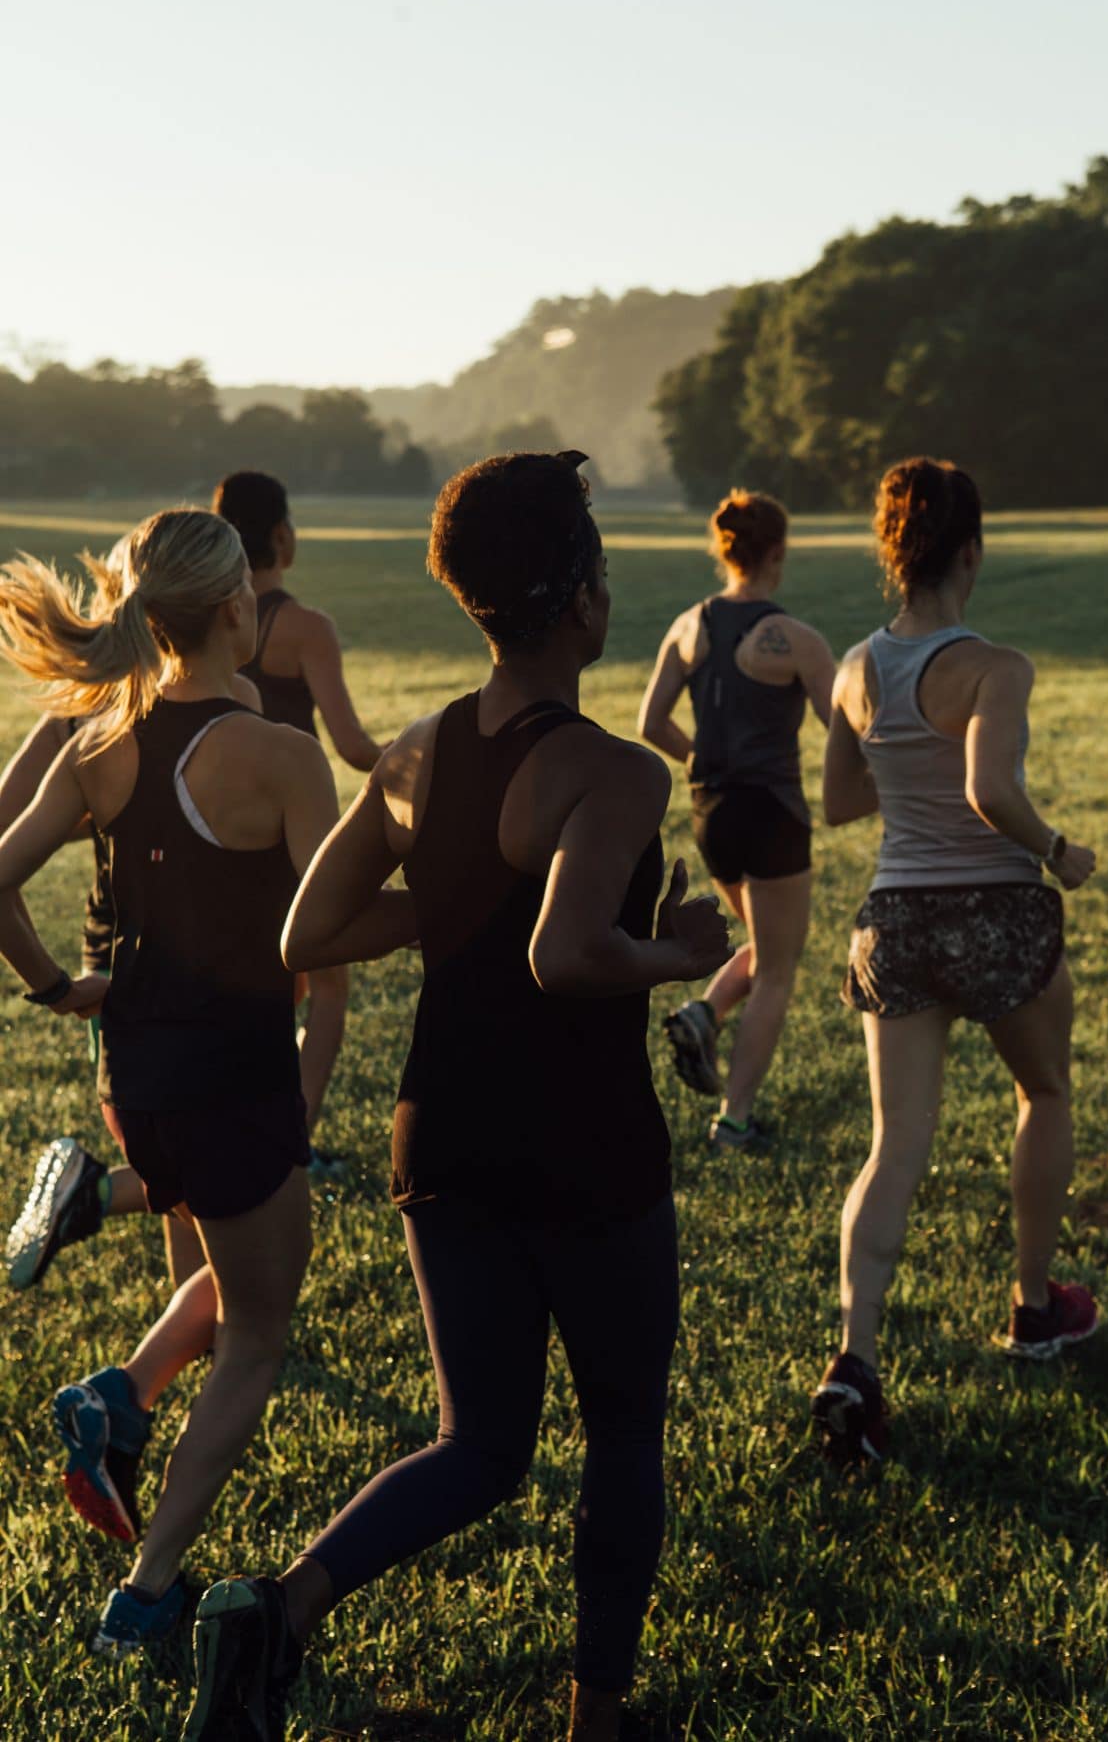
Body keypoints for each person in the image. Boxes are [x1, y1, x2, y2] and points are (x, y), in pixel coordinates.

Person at [181, 452, 730, 1742]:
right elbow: (567, 953)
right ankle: (600, 1719)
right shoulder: (616, 773)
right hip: (587, 1149)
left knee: (479, 1444)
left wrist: (444, 898)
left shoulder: (418, 755)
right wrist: (682, 955)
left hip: (445, 1134)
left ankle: (279, 1611)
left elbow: (305, 933)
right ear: (584, 599)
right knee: (620, 1443)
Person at [0, 509, 340, 1653]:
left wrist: (56, 989)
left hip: (135, 1084)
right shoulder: (286, 756)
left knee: (240, 1261)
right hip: (236, 1075)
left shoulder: (101, 746)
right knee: (257, 1335)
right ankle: (144, 1597)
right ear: (237, 606)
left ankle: (117, 1397)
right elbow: (325, 946)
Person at [812, 457, 1099, 1466]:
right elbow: (989, 791)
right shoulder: (995, 666)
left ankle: (854, 1359)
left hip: (893, 920)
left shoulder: (853, 668)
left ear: (892, 553)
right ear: (971, 550)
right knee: (1045, 1094)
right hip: (998, 912)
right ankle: (1033, 1306)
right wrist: (1061, 852)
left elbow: (842, 804)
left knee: (896, 1146)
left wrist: (888, 748)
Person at [1, 548, 264, 1293]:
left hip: (110, 967)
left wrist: (53, 987)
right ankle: (95, 1197)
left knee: (181, 1183)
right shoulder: (232, 701)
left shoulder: (91, 712)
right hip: (194, 977)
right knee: (208, 1185)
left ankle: (173, 1364)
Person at [637, 489, 835, 1148]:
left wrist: (701, 758)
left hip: (710, 811)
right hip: (773, 811)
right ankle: (734, 1120)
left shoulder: (688, 626)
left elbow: (649, 722)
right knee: (778, 966)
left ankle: (705, 1011)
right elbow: (846, 728)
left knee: (764, 944)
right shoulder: (799, 641)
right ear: (777, 553)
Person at [213, 469, 382, 1134]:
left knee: (255, 984)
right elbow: (351, 745)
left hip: (221, 823)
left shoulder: (208, 620)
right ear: (283, 536)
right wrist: (413, 754)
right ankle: (293, 1138)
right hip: (298, 830)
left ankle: (248, 1120)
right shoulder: (306, 627)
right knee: (327, 988)